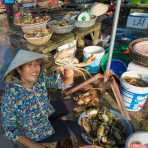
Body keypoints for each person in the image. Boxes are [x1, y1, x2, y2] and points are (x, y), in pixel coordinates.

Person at [1, 49, 81, 148]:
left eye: (37, 64)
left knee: (73, 103)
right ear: (18, 69)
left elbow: (64, 83)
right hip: (37, 131)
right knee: (77, 127)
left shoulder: (40, 78)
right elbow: (9, 129)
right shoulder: (11, 95)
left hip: (46, 111)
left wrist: (69, 69)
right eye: (30, 65)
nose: (35, 69)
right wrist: (37, 146)